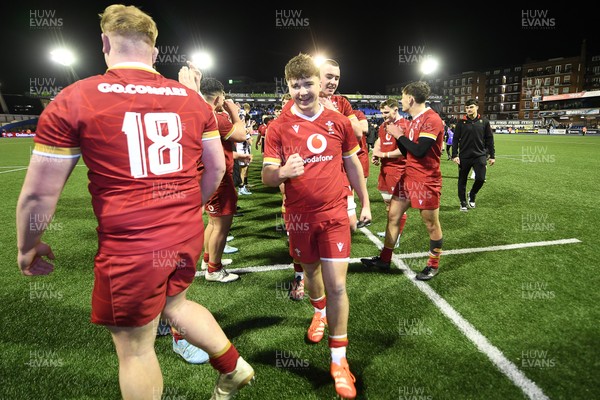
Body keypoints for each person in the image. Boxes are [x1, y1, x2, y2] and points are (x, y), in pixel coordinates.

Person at [15, 5, 254, 399]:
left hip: (131, 246)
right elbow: (214, 171)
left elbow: (40, 193)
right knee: (174, 305)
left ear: (105, 43)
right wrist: (182, 206)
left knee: (136, 349)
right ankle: (233, 366)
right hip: (184, 232)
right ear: (155, 52)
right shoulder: (193, 101)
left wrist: (28, 245)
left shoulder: (76, 97)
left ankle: (231, 367)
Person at [262, 53, 370, 399]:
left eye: (307, 83)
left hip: (335, 214)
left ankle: (339, 360)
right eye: (295, 85)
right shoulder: (278, 127)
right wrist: (282, 173)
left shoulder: (338, 121)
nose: (302, 91)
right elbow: (266, 175)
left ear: (318, 83)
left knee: (338, 285)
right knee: (310, 276)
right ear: (288, 86)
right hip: (298, 218)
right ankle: (318, 313)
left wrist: (364, 201)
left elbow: (352, 164)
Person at [361, 81, 444, 281]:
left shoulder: (431, 119)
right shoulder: (414, 120)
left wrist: (398, 134)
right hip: (408, 177)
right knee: (393, 215)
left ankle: (433, 264)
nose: (401, 100)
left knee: (431, 224)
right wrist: (396, 138)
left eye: (402, 96)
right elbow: (408, 151)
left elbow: (419, 151)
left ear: (410, 99)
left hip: (426, 180)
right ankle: (384, 259)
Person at [191, 77, 251, 283]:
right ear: (217, 98)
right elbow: (242, 135)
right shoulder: (216, 118)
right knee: (221, 226)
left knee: (213, 223)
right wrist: (234, 110)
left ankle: (208, 259)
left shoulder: (198, 113)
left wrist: (235, 156)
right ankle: (213, 270)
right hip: (219, 179)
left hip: (206, 176)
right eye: (223, 96)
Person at [370, 99, 409, 245]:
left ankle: (395, 238)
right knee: (388, 205)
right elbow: (379, 141)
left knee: (398, 208)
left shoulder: (405, 125)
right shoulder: (383, 125)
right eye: (382, 113)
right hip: (384, 169)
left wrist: (384, 155)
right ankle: (390, 231)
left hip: (398, 170)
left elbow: (405, 151)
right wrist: (376, 153)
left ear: (395, 110)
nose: (383, 116)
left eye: (386, 112)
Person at [451, 98, 495, 211]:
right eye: (467, 107)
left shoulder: (484, 121)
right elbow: (455, 139)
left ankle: (472, 194)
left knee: (480, 178)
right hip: (464, 156)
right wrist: (454, 155)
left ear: (476, 107)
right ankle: (463, 202)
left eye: (471, 107)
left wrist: (492, 156)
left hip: (479, 155)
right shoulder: (461, 123)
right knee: (462, 180)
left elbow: (490, 139)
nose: (468, 109)